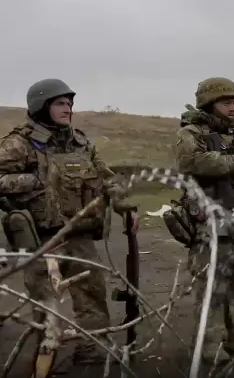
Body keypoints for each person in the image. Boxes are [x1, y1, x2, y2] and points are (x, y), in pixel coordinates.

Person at [0, 79, 138, 364]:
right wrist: (31, 181)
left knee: (92, 293)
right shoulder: (19, 143)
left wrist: (127, 207)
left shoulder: (80, 141)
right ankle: (45, 356)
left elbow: (106, 177)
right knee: (46, 299)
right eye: (60, 104)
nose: (68, 109)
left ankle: (91, 351)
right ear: (42, 106)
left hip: (80, 233)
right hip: (42, 237)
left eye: (70, 104)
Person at [174, 77, 234, 361]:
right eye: (226, 103)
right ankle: (210, 345)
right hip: (210, 219)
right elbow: (189, 161)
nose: (233, 108)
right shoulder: (191, 132)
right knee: (213, 284)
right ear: (209, 103)